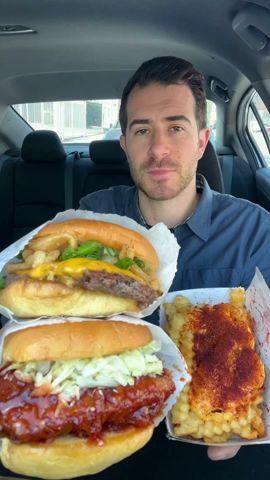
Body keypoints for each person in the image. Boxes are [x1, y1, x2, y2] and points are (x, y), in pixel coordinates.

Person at [80, 56, 270, 465]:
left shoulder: (255, 230)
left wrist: (240, 417)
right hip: (103, 432)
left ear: (202, 142)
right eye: (142, 130)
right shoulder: (91, 219)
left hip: (215, 440)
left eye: (176, 127)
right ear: (125, 145)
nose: (159, 148)